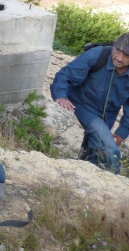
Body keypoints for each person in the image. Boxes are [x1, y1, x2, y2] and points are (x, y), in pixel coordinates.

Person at [50, 33, 129, 174]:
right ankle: (113, 185)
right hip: (83, 105)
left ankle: (82, 175)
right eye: (117, 51)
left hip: (107, 117)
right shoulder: (98, 55)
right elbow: (65, 75)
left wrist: (122, 132)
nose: (118, 57)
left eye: (126, 55)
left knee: (93, 152)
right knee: (110, 150)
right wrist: (61, 96)